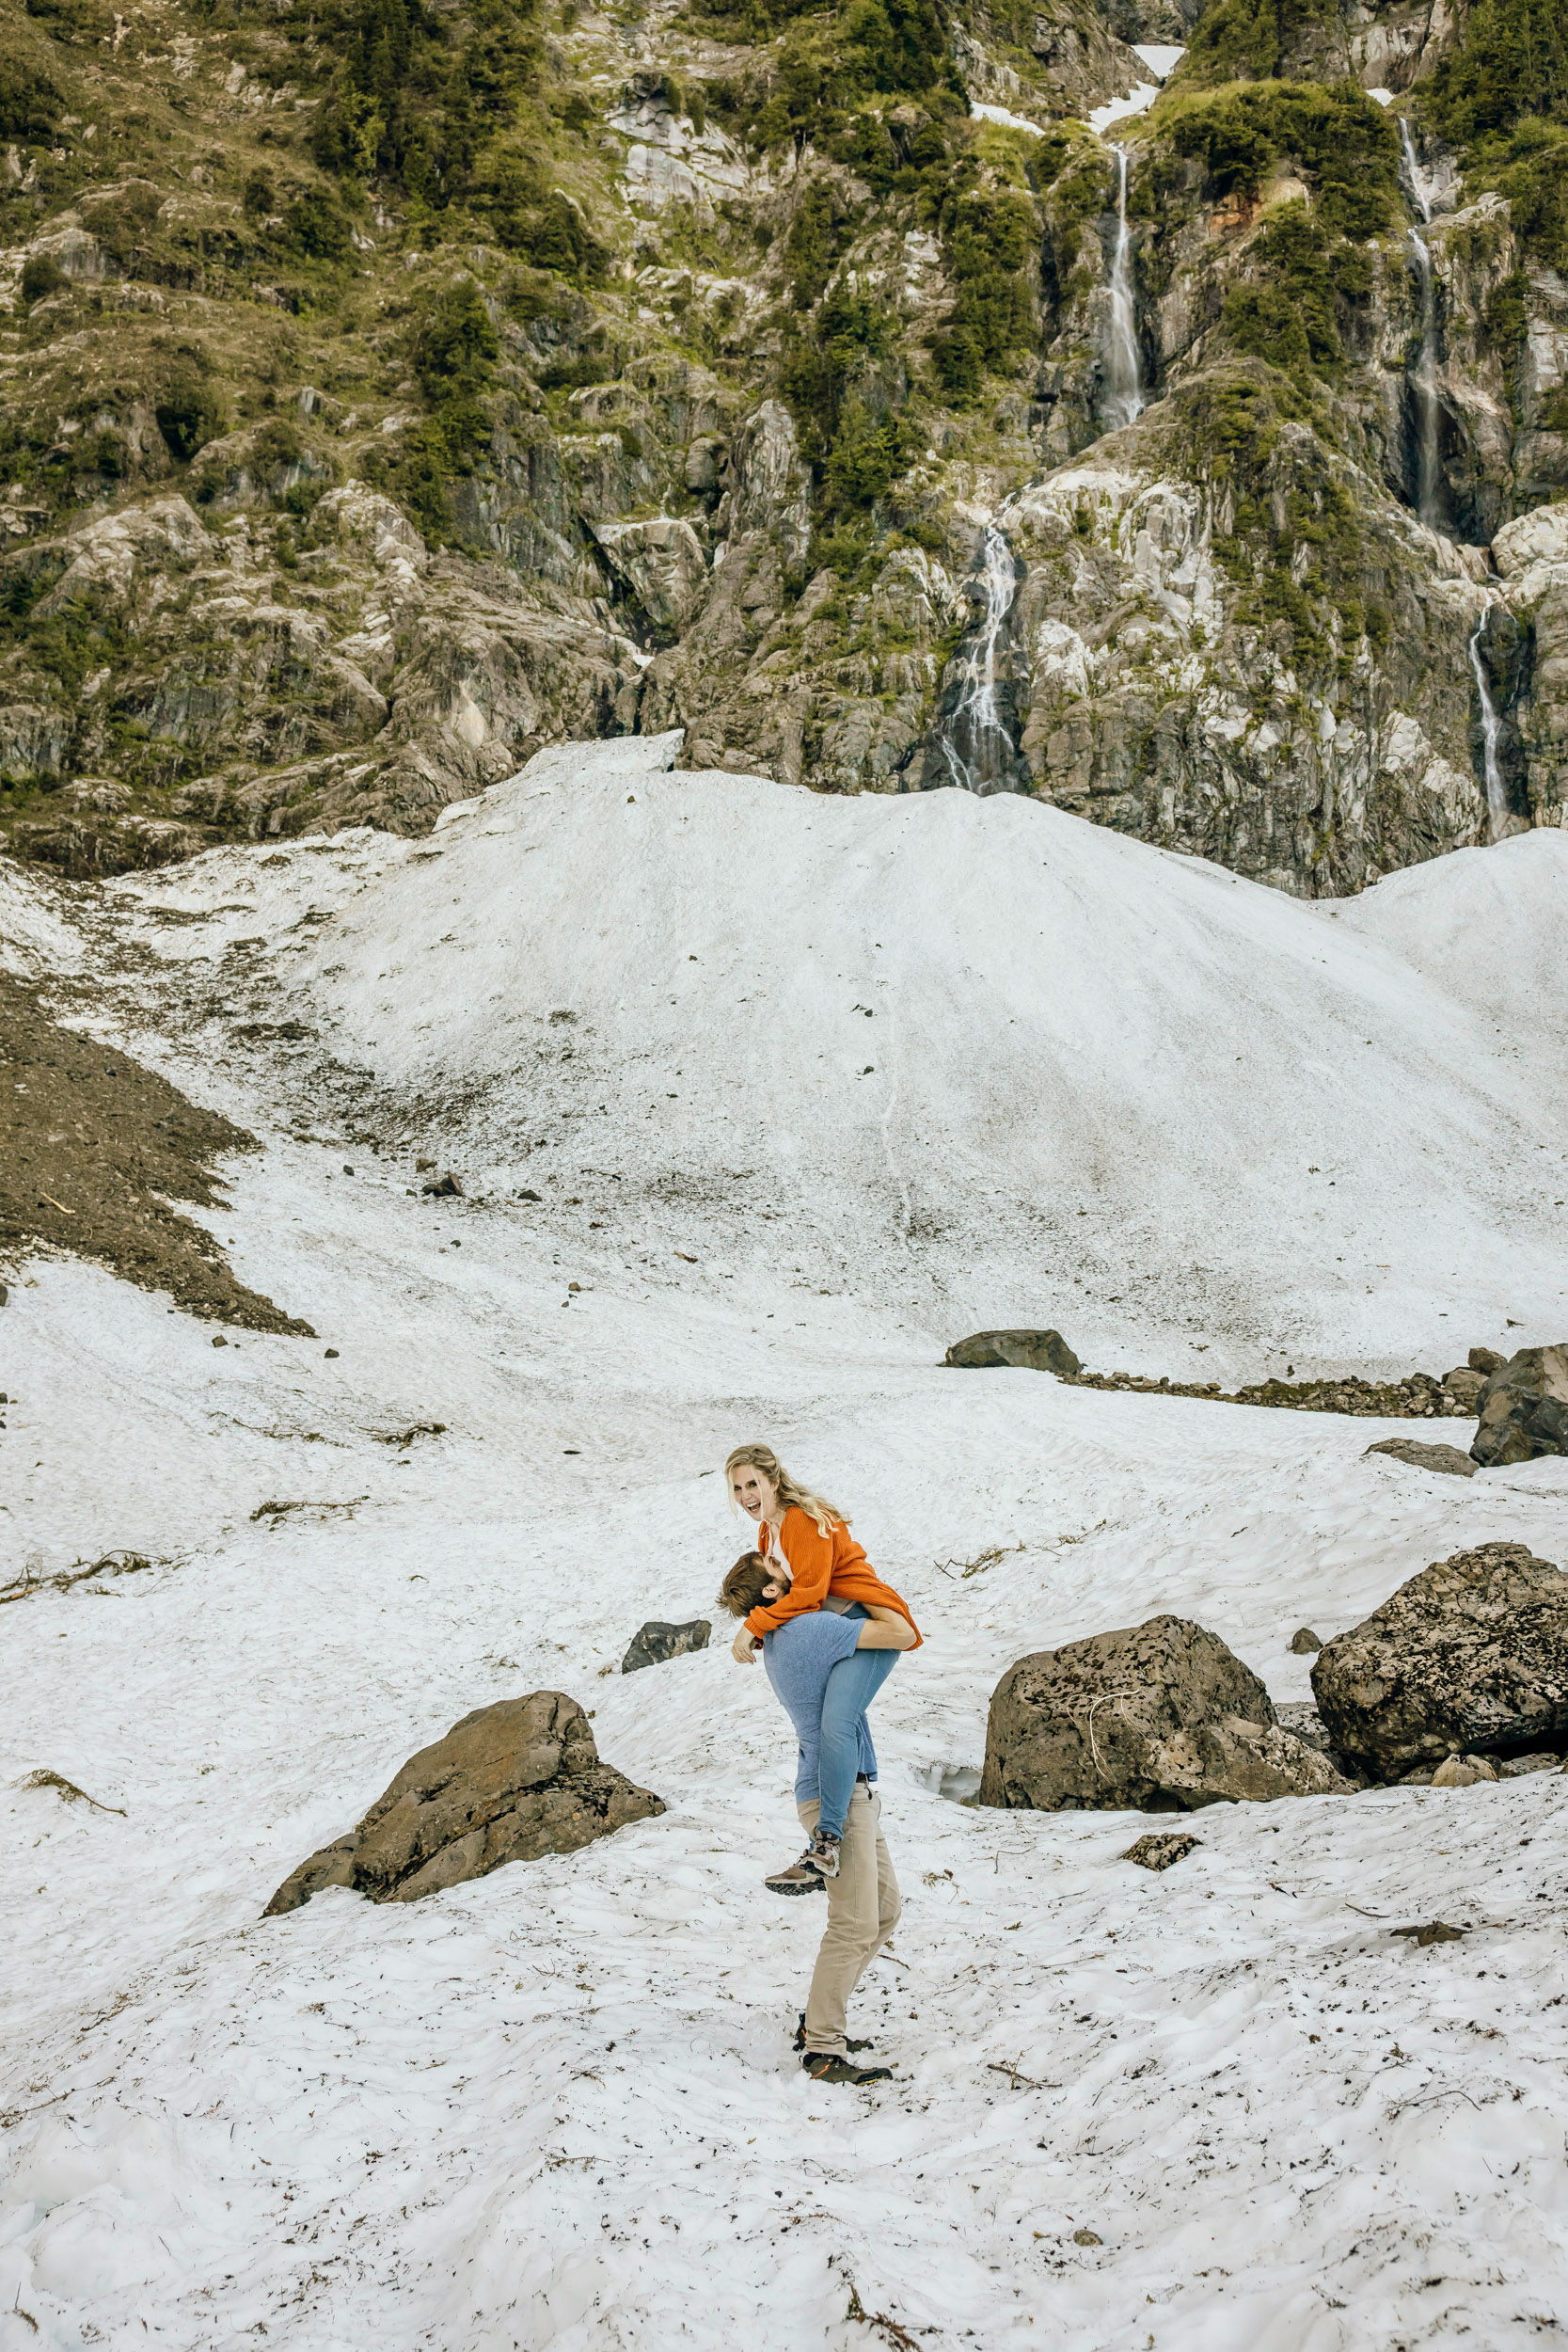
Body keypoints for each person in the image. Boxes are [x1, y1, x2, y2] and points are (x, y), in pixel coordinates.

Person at [720, 1554, 911, 2083]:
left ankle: (820, 2017)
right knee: (853, 1924)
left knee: (885, 1911)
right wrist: (857, 1581)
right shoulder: (808, 1630)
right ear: (769, 1592)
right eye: (777, 1566)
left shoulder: (789, 1633)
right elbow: (897, 1631)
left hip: (849, 1789)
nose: (791, 1565)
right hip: (835, 1795)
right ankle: (822, 2049)